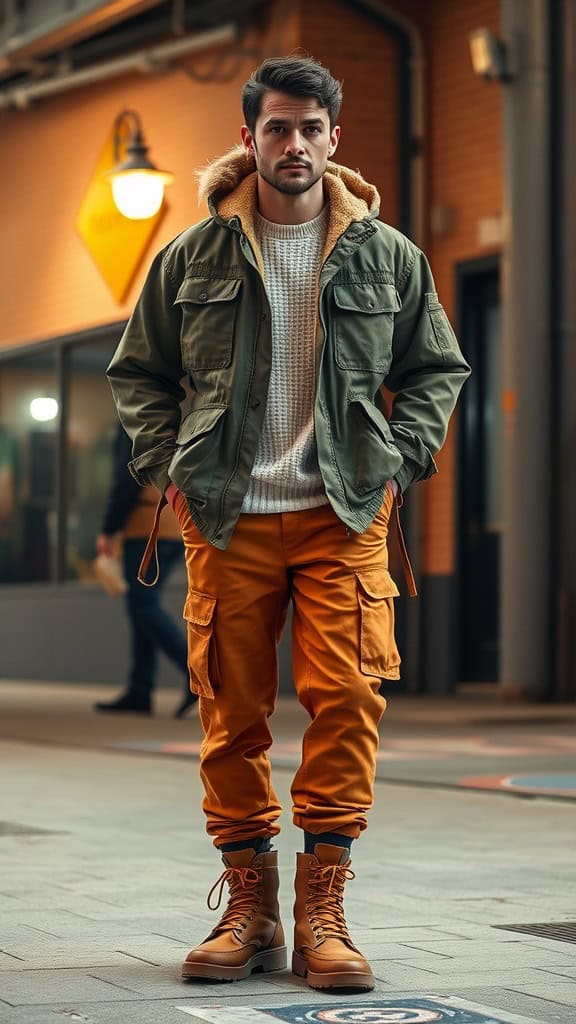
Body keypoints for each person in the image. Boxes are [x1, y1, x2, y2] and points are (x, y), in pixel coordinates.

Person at [107, 55, 470, 990]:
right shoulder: (192, 256)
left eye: (311, 127)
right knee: (230, 717)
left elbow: (437, 370)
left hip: (342, 512)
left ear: (334, 139)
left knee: (347, 702)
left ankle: (325, 914)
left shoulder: (390, 257)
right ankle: (251, 910)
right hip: (227, 517)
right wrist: (169, 466)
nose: (295, 142)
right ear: (249, 139)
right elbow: (138, 375)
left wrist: (400, 459)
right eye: (277, 127)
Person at [93, 423, 197, 719]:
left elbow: (126, 478)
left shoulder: (133, 422)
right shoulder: (170, 418)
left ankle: (195, 674)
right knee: (142, 606)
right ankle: (140, 690)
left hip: (148, 526)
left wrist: (109, 528)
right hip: (173, 522)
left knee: (142, 604)